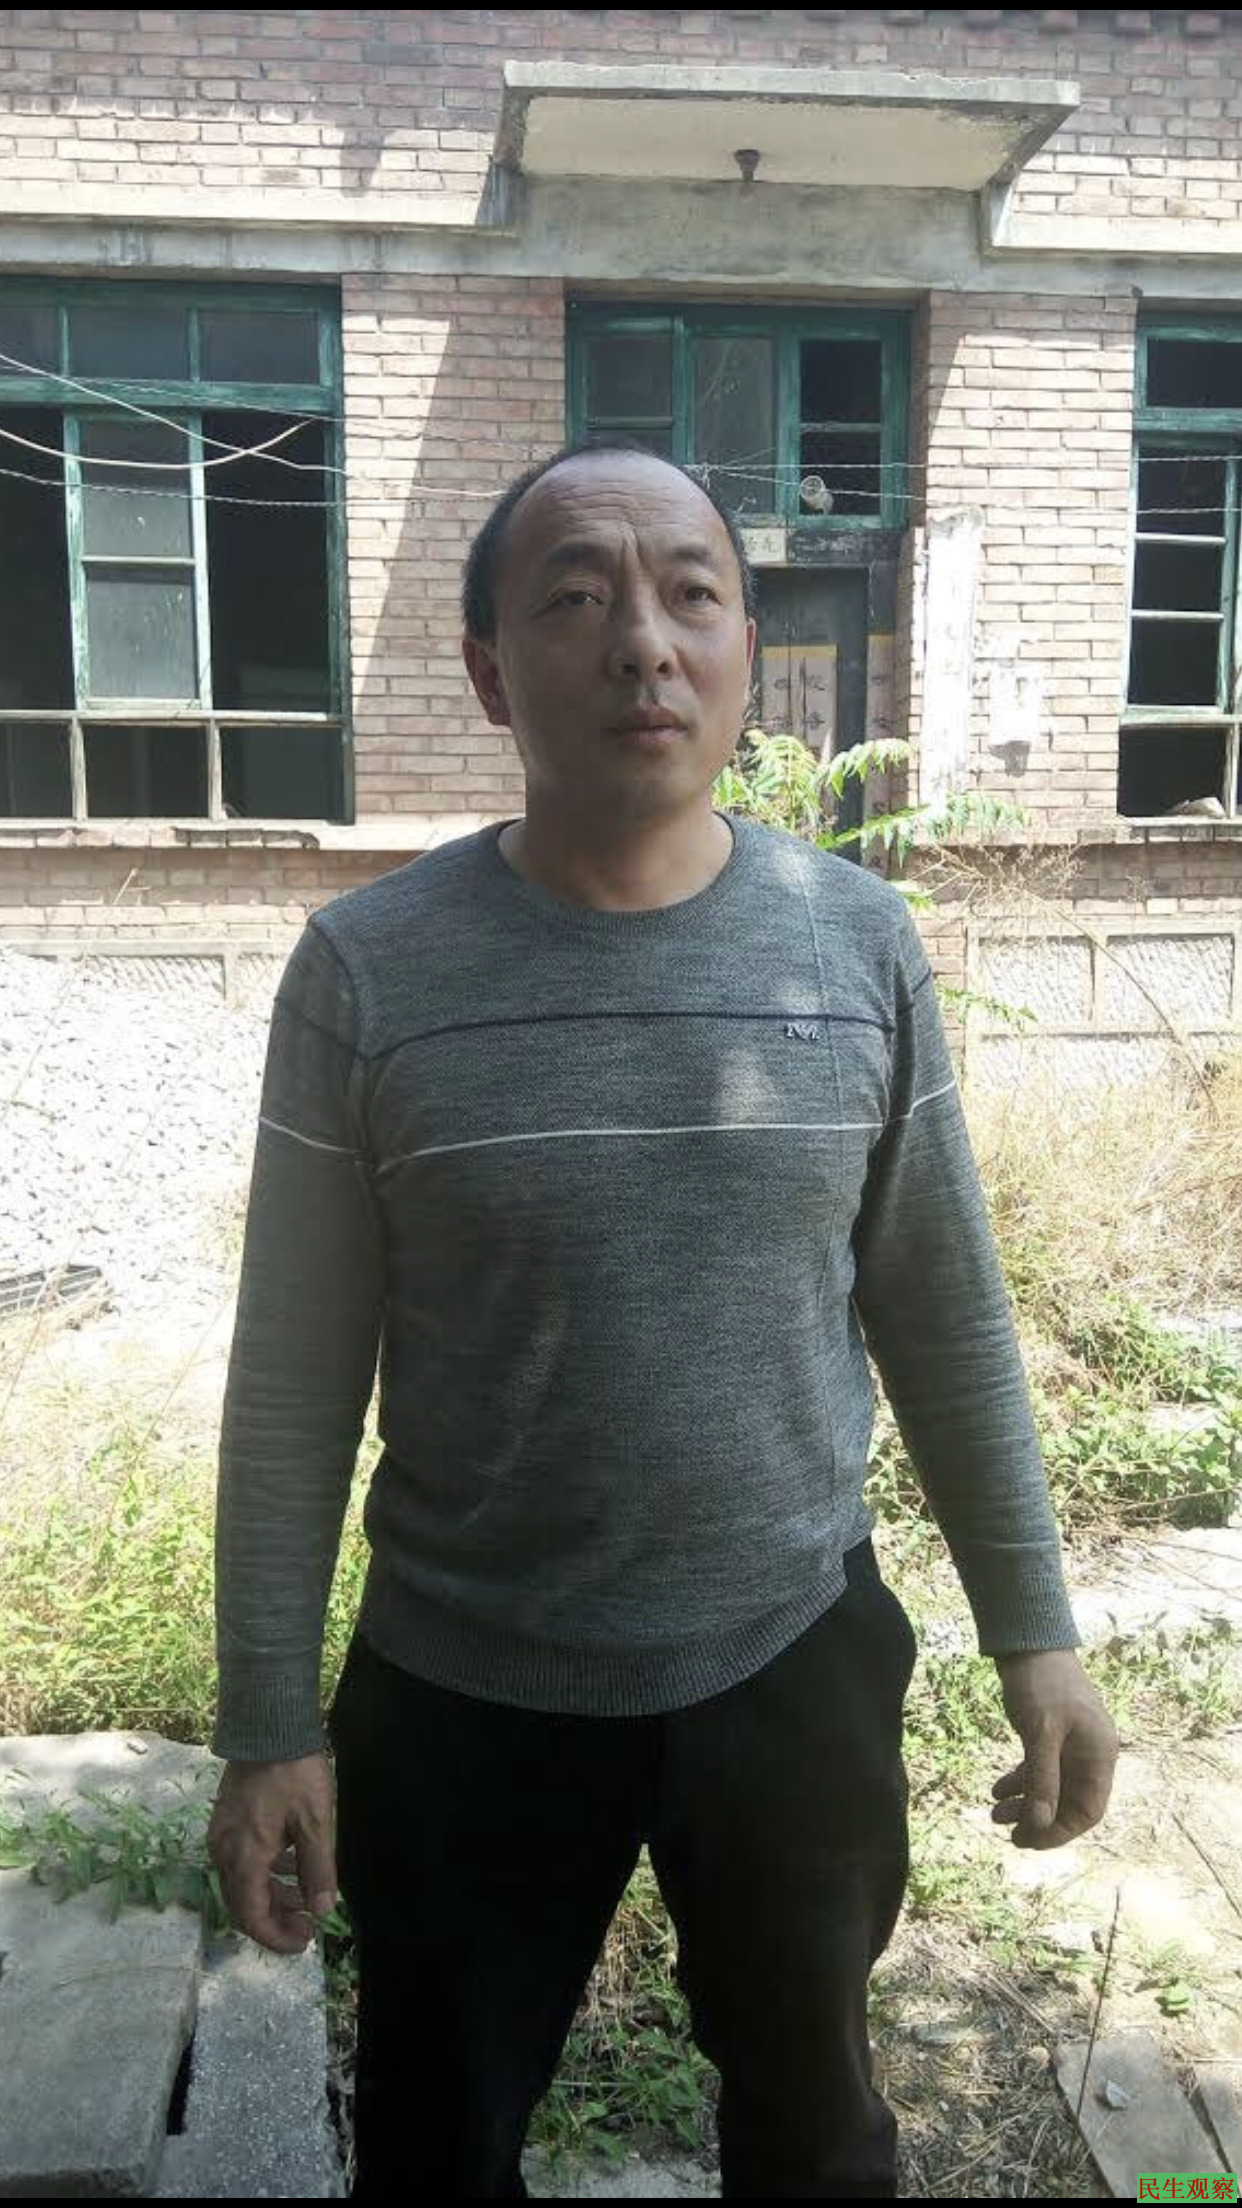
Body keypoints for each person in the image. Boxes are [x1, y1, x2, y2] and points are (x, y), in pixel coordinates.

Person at [207, 438, 1119, 2199]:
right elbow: (293, 1381)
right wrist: (266, 1723)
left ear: (742, 648)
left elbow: (943, 1310)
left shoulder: (852, 944)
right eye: (574, 597)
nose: (643, 640)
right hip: (462, 1690)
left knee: (817, 2128)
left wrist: (1038, 1634)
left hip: (790, 1663)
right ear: (488, 672)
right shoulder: (369, 972)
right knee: (433, 2143)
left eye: (690, 593)